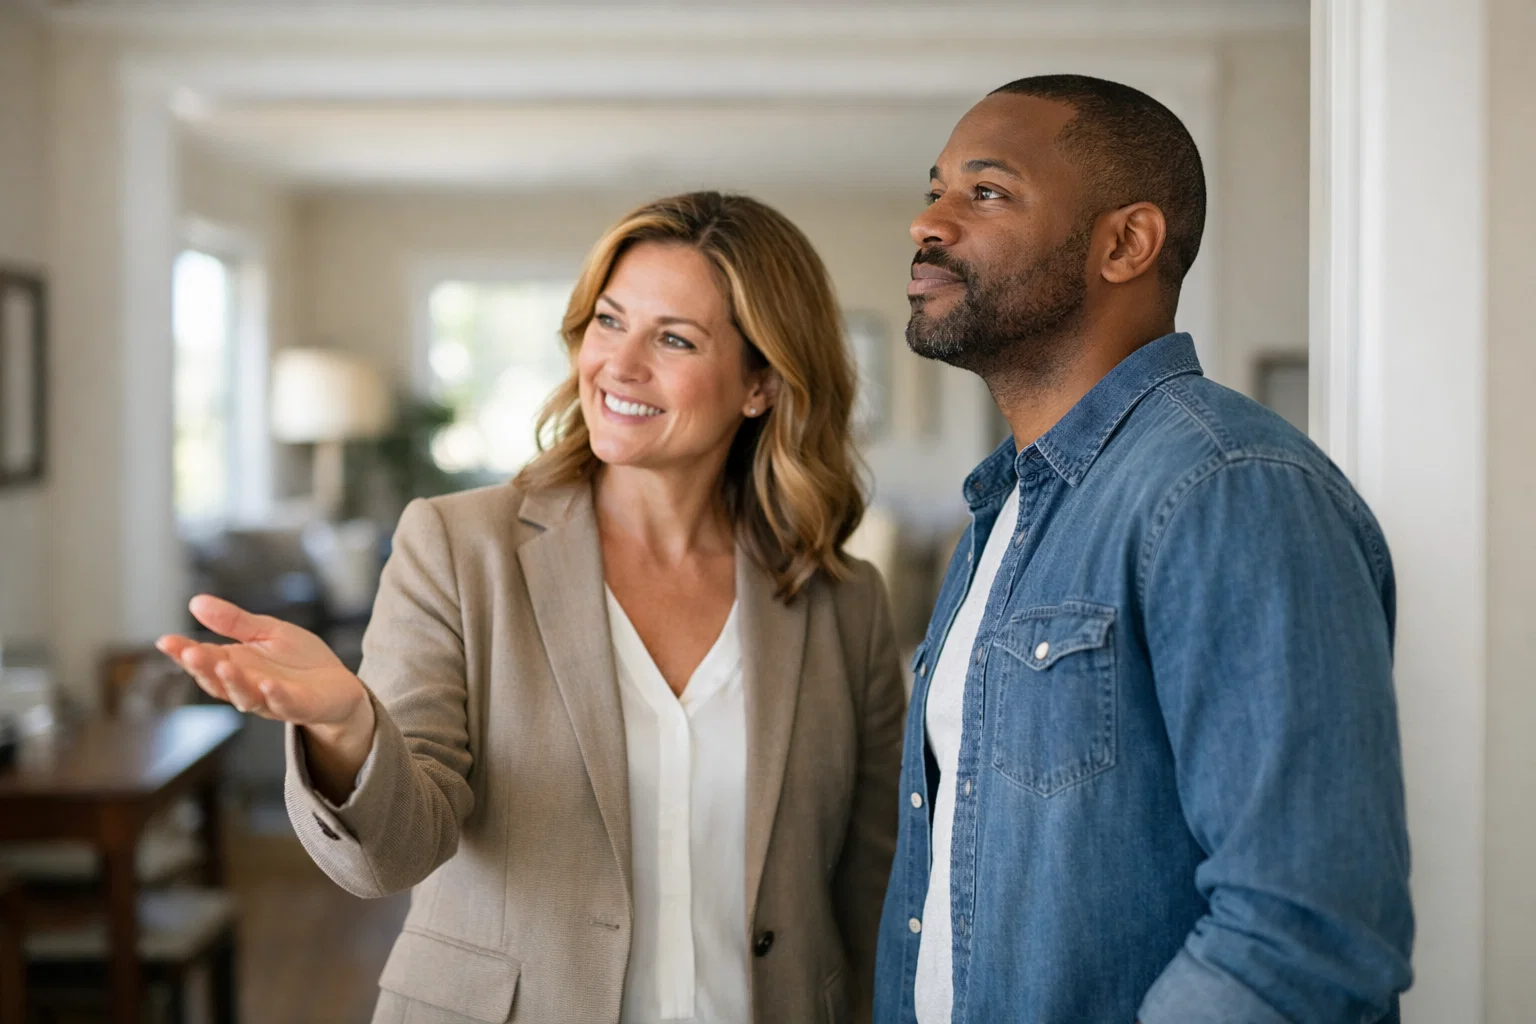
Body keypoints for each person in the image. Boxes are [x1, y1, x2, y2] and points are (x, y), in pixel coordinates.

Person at [158, 191, 905, 1024]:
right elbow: (393, 856)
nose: (619, 365)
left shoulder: (843, 602)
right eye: (609, 321)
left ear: (761, 383)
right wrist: (346, 729)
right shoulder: (456, 546)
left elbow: (872, 885)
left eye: (674, 339)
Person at [874, 75, 1413, 1024]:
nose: (929, 223)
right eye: (935, 189)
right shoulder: (1002, 509)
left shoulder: (1228, 487)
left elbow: (1305, 930)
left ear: (1126, 243)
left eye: (986, 192)